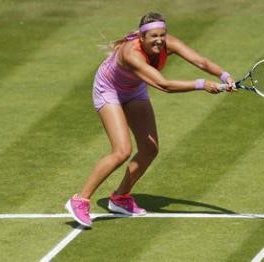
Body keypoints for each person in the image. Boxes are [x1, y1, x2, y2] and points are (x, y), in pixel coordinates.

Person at [65, 12, 235, 227]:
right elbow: (164, 85)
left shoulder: (168, 43)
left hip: (134, 89)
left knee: (149, 148)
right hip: (109, 90)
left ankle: (120, 198)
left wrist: (225, 76)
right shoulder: (131, 53)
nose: (159, 40)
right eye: (153, 36)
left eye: (162, 35)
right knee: (121, 151)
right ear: (141, 37)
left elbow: (200, 61)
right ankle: (79, 200)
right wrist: (202, 84)